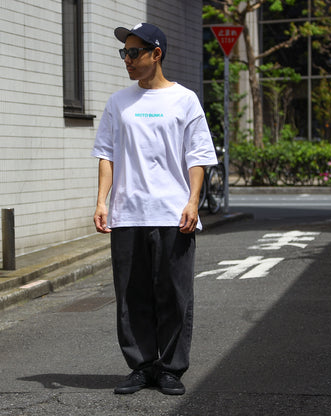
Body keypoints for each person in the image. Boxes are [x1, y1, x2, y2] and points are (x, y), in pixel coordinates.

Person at [91, 22, 218, 395]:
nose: (127, 60)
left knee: (174, 295)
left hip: (172, 213)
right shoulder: (118, 102)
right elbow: (106, 155)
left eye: (134, 52)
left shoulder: (185, 100)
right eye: (124, 53)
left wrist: (193, 201)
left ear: (156, 54)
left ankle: (171, 369)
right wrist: (101, 201)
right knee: (132, 296)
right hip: (127, 213)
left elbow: (198, 156)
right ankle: (142, 366)